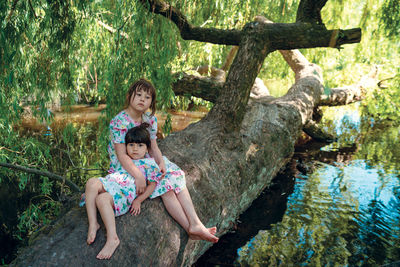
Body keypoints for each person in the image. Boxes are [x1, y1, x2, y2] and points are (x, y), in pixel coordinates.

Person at [104, 78, 218, 243]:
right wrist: (138, 176)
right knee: (165, 188)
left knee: (175, 175)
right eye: (139, 95)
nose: (143, 99)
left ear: (152, 101)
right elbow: (121, 155)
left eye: (147, 97)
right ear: (129, 96)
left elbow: (153, 147)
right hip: (126, 164)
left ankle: (195, 223)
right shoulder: (119, 121)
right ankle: (190, 227)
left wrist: (161, 163)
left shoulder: (149, 119)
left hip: (144, 159)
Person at [83, 124, 160, 260]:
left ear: (147, 148)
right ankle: (93, 223)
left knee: (101, 200)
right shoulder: (125, 160)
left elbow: (152, 185)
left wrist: (138, 200)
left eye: (140, 145)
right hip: (112, 183)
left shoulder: (149, 164)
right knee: (91, 183)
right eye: (131, 145)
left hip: (124, 193)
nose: (135, 149)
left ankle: (112, 238)